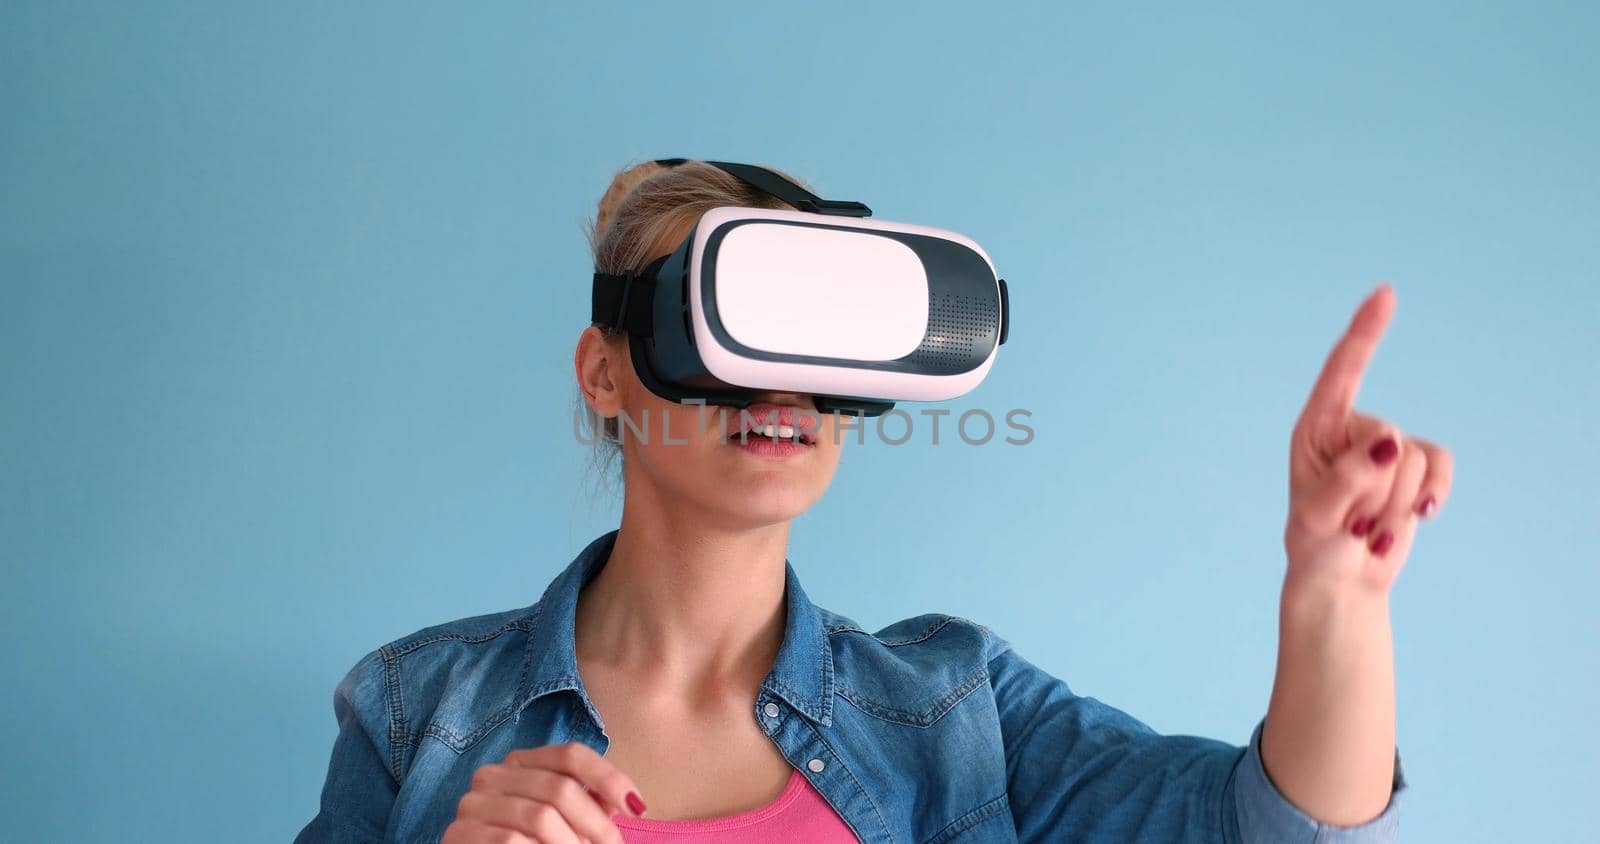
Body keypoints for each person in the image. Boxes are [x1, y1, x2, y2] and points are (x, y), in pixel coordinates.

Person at [296, 159, 1450, 843]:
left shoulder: (960, 706)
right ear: (605, 369)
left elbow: (1269, 831)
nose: (782, 386)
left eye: (819, 335)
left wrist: (1334, 594)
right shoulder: (417, 710)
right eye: (724, 322)